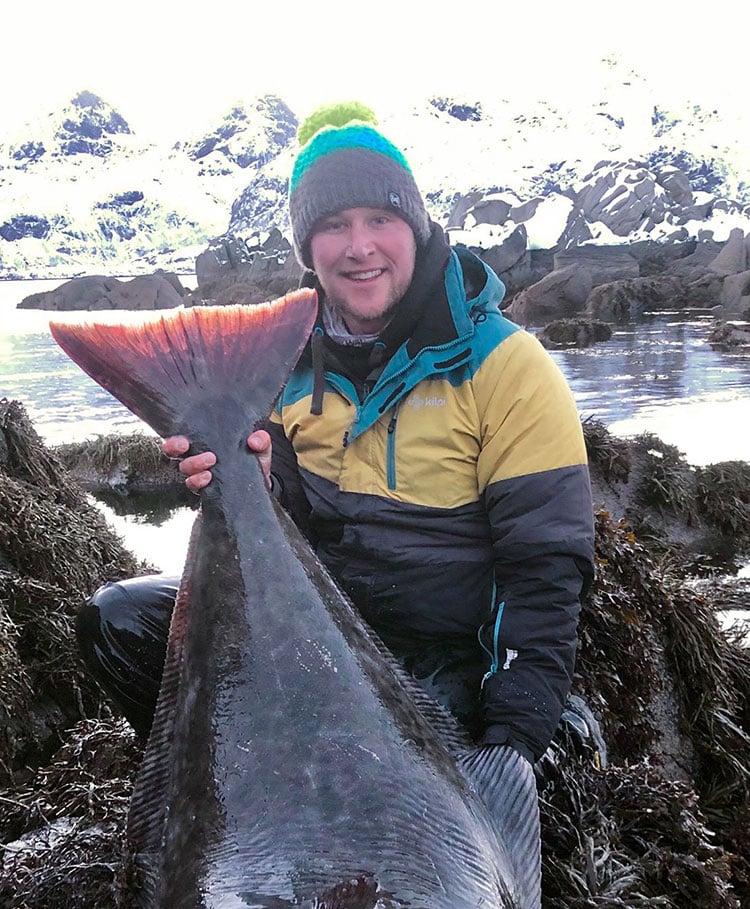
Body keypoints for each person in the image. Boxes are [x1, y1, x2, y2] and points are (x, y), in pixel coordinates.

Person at [76, 102, 596, 777]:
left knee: (420, 754)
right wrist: (252, 484)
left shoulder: (510, 368)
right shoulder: (284, 366)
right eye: (333, 225)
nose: (359, 246)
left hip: (445, 656)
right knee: (118, 622)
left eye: (380, 218)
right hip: (323, 637)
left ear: (415, 225)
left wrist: (513, 739)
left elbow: (544, 570)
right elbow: (292, 522)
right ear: (308, 248)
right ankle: (231, 796)